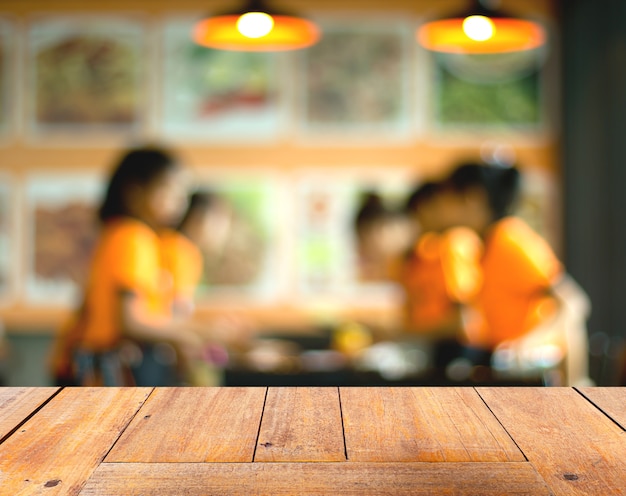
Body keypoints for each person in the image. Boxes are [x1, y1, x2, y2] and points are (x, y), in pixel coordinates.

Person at [441, 162, 591, 385]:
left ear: (472, 198)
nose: (441, 207)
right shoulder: (483, 244)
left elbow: (574, 303)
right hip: (508, 370)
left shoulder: (510, 239)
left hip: (540, 375)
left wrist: (526, 344)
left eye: (447, 198)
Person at [70, 146, 204, 386]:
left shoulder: (130, 236)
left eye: (182, 193)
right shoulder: (132, 237)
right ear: (135, 194)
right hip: (113, 364)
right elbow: (131, 321)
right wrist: (194, 334)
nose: (180, 202)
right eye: (169, 191)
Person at [398, 181, 482, 372]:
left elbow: (462, 320)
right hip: (431, 352)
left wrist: (406, 333)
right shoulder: (420, 255)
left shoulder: (454, 245)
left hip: (456, 354)